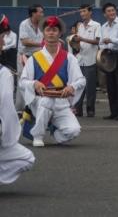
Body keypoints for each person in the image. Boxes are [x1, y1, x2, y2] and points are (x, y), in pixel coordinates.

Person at [19, 16, 86, 147]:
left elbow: (81, 80)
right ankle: (37, 135)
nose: (51, 33)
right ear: (43, 33)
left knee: (73, 131)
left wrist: (72, 87)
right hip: (40, 101)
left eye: (54, 30)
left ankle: (54, 131)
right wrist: (34, 84)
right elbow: (23, 81)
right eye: (48, 30)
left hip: (61, 101)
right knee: (47, 100)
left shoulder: (69, 57)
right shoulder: (35, 58)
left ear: (60, 33)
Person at [0, 15, 35, 183]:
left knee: (26, 158)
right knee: (26, 158)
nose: (2, 41)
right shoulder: (3, 73)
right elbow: (6, 109)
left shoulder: (4, 72)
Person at [100, 3, 118, 121]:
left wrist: (110, 40)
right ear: (104, 14)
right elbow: (101, 43)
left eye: (113, 10)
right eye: (109, 11)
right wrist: (104, 44)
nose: (111, 13)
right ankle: (114, 112)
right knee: (110, 85)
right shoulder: (103, 26)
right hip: (109, 55)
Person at [73, 5, 101, 117]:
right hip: (80, 59)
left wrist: (82, 39)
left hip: (91, 60)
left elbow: (97, 41)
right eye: (80, 12)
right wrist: (75, 43)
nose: (82, 14)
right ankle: (78, 109)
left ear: (90, 12)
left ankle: (90, 110)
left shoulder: (96, 25)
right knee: (79, 86)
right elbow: (78, 42)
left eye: (84, 11)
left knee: (90, 87)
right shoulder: (79, 26)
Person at [16, 4, 44, 110]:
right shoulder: (24, 24)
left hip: (38, 58)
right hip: (24, 56)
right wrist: (42, 44)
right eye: (40, 12)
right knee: (22, 83)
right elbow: (25, 41)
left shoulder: (42, 25)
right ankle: (20, 109)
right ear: (33, 13)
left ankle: (33, 109)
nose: (42, 14)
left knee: (36, 82)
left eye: (42, 12)